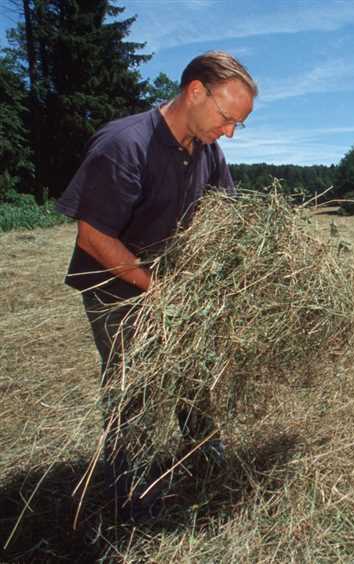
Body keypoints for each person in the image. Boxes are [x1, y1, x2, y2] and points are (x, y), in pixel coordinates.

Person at [55, 51, 257, 516]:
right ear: (195, 92)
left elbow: (223, 213)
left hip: (171, 284)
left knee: (192, 371)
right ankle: (132, 495)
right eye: (227, 118)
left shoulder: (207, 149)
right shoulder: (124, 144)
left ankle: (205, 455)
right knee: (135, 387)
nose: (228, 132)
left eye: (237, 126)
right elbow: (93, 235)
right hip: (116, 286)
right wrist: (156, 288)